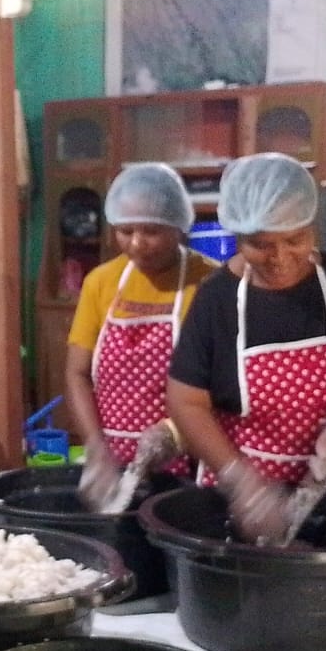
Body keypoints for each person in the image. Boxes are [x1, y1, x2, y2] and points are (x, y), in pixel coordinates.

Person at [167, 153, 326, 542]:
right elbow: (187, 402)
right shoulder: (216, 299)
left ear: (312, 225)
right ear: (236, 235)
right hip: (236, 508)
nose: (280, 258)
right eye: (260, 244)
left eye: (294, 239)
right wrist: (240, 481)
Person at [67, 163, 217, 505]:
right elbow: (77, 373)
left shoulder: (208, 282)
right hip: (113, 460)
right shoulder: (100, 282)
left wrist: (175, 434)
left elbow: (220, 383)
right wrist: (95, 447)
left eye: (151, 231)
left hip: (186, 461)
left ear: (179, 226)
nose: (136, 244)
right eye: (125, 230)